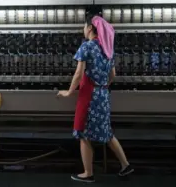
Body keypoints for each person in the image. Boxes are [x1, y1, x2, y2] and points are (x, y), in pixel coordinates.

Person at [57, 15, 134, 183]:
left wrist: (69, 92)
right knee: (107, 133)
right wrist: (103, 86)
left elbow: (78, 74)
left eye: (84, 27)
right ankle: (125, 165)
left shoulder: (87, 47)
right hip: (103, 95)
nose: (83, 30)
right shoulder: (107, 48)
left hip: (89, 96)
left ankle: (88, 173)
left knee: (83, 133)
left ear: (90, 28)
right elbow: (113, 74)